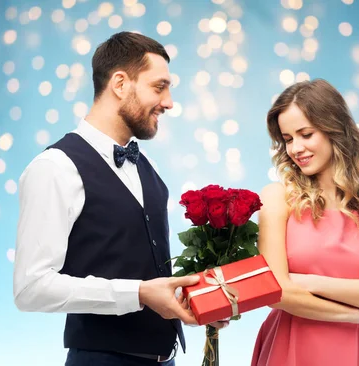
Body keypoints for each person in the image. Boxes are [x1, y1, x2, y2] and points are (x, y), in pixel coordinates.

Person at [13, 31, 227, 366]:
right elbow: (31, 289)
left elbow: (140, 261)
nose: (169, 102)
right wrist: (139, 294)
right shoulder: (55, 167)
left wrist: (198, 299)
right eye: (159, 87)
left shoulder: (148, 166)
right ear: (120, 84)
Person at [251, 79, 359, 366]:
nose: (295, 148)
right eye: (287, 139)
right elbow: (274, 293)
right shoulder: (277, 198)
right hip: (290, 345)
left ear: (335, 130)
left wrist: (306, 281)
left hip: (354, 349)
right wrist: (356, 310)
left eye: (306, 134)